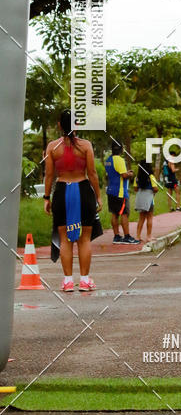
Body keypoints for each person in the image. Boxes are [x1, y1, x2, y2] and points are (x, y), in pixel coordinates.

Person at [43, 109, 102, 292]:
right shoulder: (86, 146)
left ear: (59, 125)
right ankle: (84, 281)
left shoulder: (52, 147)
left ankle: (68, 282)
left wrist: (46, 197)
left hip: (62, 192)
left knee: (65, 239)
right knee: (84, 240)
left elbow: (49, 175)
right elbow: (92, 173)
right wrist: (98, 196)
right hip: (83, 191)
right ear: (76, 125)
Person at [105, 140, 140, 244]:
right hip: (120, 192)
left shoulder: (108, 160)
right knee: (124, 214)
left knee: (114, 214)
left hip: (110, 190)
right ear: (121, 149)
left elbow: (114, 173)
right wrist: (130, 174)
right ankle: (127, 236)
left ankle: (116, 236)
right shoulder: (120, 160)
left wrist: (125, 173)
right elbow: (124, 175)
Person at [134, 158, 159, 241]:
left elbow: (135, 188)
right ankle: (148, 236)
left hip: (140, 199)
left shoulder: (137, 177)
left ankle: (138, 236)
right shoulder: (151, 176)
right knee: (149, 217)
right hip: (149, 199)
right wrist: (154, 191)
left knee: (141, 218)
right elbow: (155, 188)